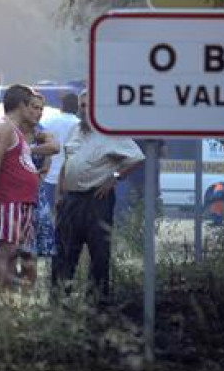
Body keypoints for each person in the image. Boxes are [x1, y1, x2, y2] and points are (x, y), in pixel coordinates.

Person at [53, 91, 145, 303]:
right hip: (71, 200)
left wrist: (114, 177)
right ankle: (58, 304)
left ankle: (96, 305)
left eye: (89, 106)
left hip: (96, 200)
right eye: (82, 105)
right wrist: (60, 195)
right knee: (63, 253)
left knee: (99, 255)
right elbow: (67, 164)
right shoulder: (75, 130)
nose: (85, 110)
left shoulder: (112, 132)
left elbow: (137, 158)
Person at [0, 85, 41, 290]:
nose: (34, 110)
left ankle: (15, 298)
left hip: (23, 199)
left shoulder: (16, 130)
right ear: (21, 105)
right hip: (9, 199)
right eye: (31, 106)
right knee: (7, 250)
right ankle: (1, 298)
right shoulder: (3, 127)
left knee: (23, 251)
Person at [36, 92, 80, 259]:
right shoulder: (78, 125)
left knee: (47, 217)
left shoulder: (47, 122)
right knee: (65, 217)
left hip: (47, 175)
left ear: (62, 105)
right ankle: (62, 248)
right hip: (68, 178)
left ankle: (48, 248)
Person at [23, 93, 59, 272]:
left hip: (36, 193)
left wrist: (26, 150)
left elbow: (52, 150)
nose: (38, 112)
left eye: (40, 109)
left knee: (33, 250)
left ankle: (30, 292)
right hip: (13, 195)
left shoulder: (42, 132)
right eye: (34, 107)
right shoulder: (12, 130)